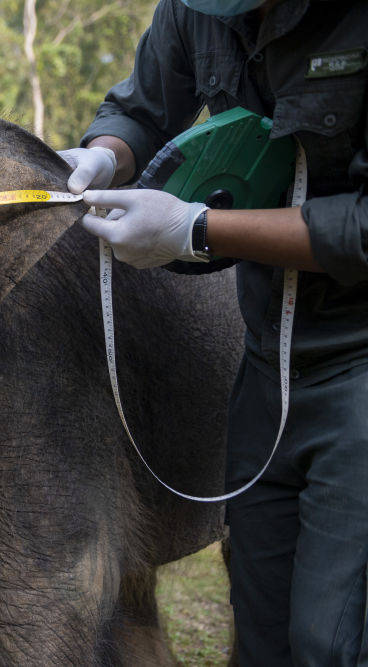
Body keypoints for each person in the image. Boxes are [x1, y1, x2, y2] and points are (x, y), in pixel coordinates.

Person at [61, 0, 367, 663]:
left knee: (331, 638)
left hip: (359, 361)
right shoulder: (199, 10)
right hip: (267, 366)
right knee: (264, 628)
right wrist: (101, 158)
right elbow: (140, 110)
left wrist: (198, 228)